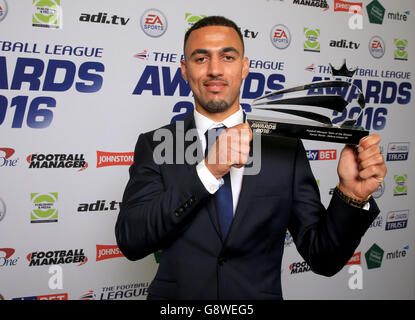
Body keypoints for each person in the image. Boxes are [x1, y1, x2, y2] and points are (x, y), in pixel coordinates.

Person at [115, 16, 387, 300]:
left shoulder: (285, 148)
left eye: (228, 57)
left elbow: (324, 258)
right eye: (200, 58)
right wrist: (207, 171)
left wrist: (351, 196)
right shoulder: (155, 144)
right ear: (185, 70)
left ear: (244, 67)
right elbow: (131, 241)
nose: (215, 70)